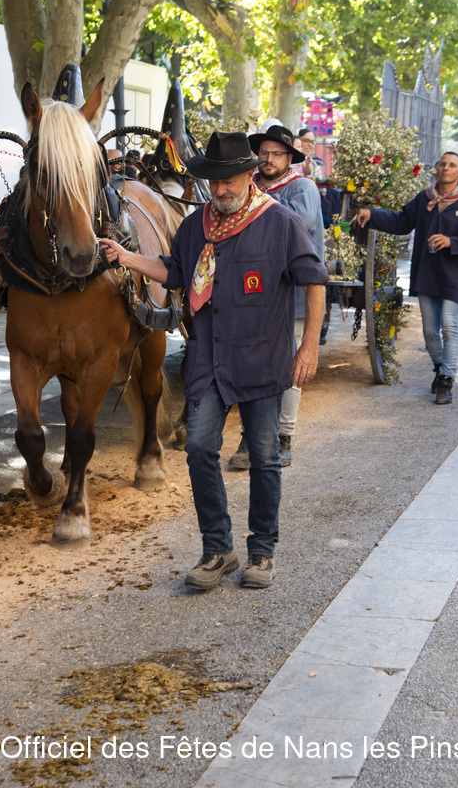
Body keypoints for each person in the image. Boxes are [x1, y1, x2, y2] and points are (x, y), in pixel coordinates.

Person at [100, 131, 328, 590]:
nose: (221, 190)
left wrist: (309, 347)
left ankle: (261, 552)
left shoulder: (279, 221)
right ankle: (218, 549)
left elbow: (314, 279)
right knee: (200, 449)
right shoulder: (195, 226)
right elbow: (174, 272)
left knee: (264, 458)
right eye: (215, 181)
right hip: (209, 362)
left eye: (229, 181)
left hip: (262, 360)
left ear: (249, 176)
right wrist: (127, 257)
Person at [227, 124, 325, 469]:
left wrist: (251, 200)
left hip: (293, 288)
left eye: (276, 154)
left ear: (289, 158)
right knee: (250, 363)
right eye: (264, 153)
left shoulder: (302, 187)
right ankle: (251, 435)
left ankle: (283, 436)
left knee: (290, 367)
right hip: (251, 291)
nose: (268, 159)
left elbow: (298, 221)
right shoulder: (246, 186)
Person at [356, 152, 458, 405]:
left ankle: (446, 380)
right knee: (429, 332)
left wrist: (451, 242)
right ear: (437, 169)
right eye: (443, 164)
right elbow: (402, 221)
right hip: (427, 272)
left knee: (449, 326)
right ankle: (440, 369)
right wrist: (373, 214)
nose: (446, 168)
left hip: (455, 275)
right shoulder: (424, 198)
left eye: (452, 165)